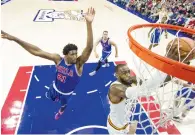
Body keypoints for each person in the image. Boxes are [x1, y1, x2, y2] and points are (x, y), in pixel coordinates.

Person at [1, 7, 96, 120]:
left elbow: (89, 48)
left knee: (63, 105)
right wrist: (15, 39)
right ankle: (52, 96)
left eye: (76, 53)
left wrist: (89, 24)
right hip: (55, 88)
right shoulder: (58, 59)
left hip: (66, 93)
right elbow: (37, 51)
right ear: (65, 55)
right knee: (50, 96)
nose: (75, 56)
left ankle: (60, 112)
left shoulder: (78, 64)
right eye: (72, 54)